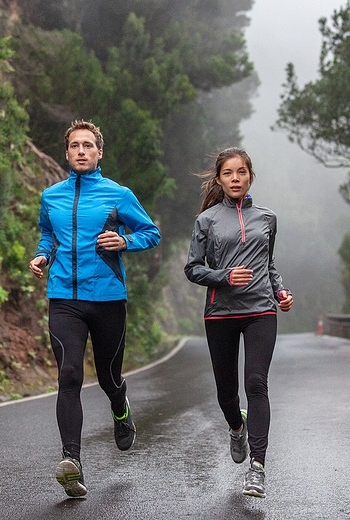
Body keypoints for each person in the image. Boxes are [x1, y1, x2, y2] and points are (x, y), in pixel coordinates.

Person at [29, 119, 160, 498]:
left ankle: (120, 406)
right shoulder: (51, 196)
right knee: (69, 375)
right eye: (75, 145)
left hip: (107, 299)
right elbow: (48, 234)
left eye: (88, 145)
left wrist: (124, 241)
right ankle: (73, 462)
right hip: (64, 299)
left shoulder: (117, 194)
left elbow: (151, 233)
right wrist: (42, 255)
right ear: (67, 153)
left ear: (99, 152)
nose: (81, 151)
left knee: (108, 376)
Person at [184, 147, 293, 499]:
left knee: (256, 383)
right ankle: (236, 426)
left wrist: (280, 292)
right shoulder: (207, 220)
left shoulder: (267, 218)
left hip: (261, 310)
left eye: (241, 172)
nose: (235, 178)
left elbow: (268, 263)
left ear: (250, 176)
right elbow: (193, 269)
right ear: (219, 179)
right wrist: (224, 277)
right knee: (226, 393)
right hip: (221, 314)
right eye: (228, 173)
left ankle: (257, 469)